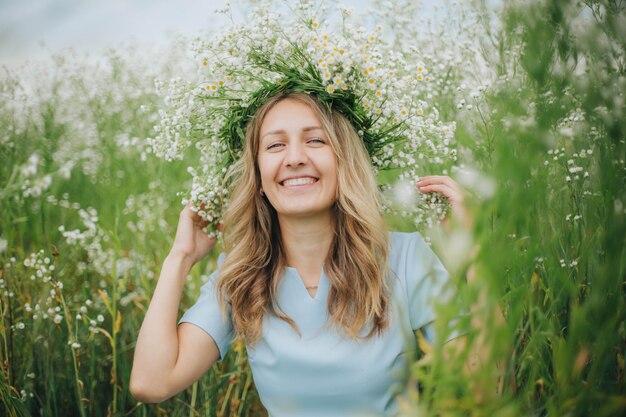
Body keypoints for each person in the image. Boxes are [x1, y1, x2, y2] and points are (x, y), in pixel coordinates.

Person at [130, 92, 468, 416]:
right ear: (259, 177)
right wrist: (180, 258)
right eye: (276, 145)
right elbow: (152, 383)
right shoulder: (239, 277)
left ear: (344, 162)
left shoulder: (406, 259)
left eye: (315, 140)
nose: (294, 158)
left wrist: (474, 254)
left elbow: (487, 388)